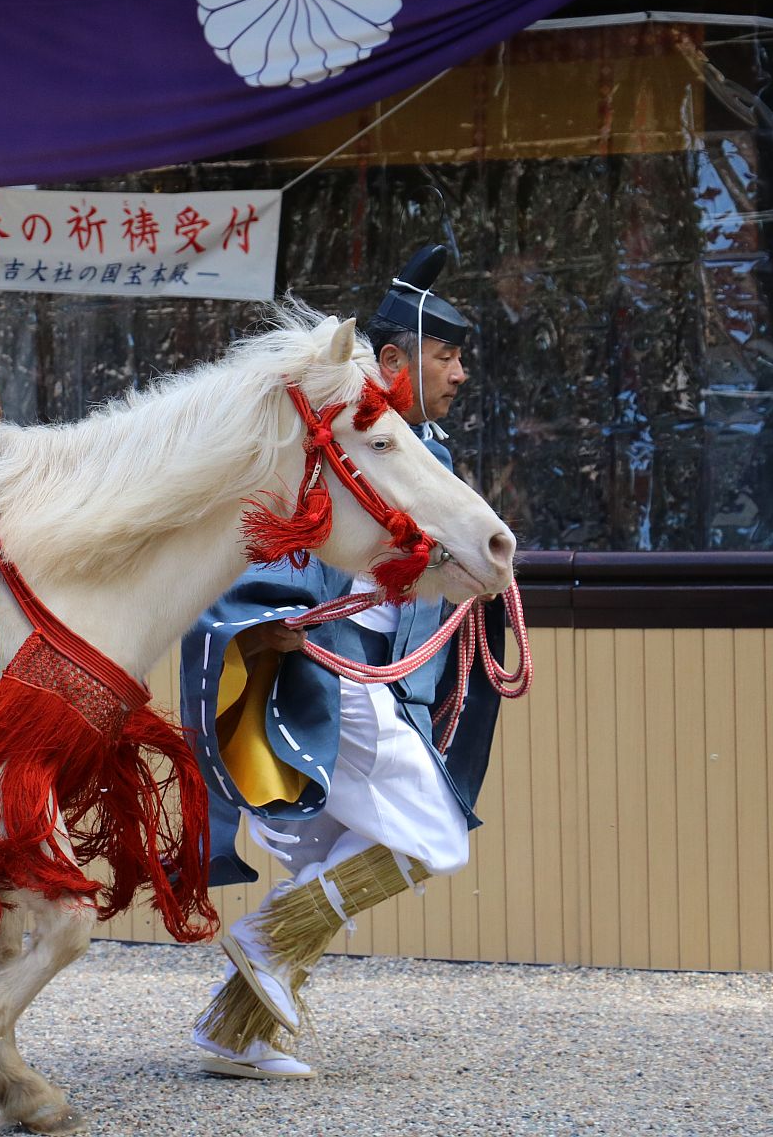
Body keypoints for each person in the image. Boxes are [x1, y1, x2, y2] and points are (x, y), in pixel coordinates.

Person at [179, 246, 509, 1080]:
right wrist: (280, 621)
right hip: (333, 678)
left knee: (350, 856)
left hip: (386, 688)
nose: (463, 372)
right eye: (448, 354)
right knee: (432, 839)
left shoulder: (414, 451)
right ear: (392, 360)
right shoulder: (334, 443)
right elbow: (273, 545)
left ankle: (234, 1032)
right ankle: (258, 942)